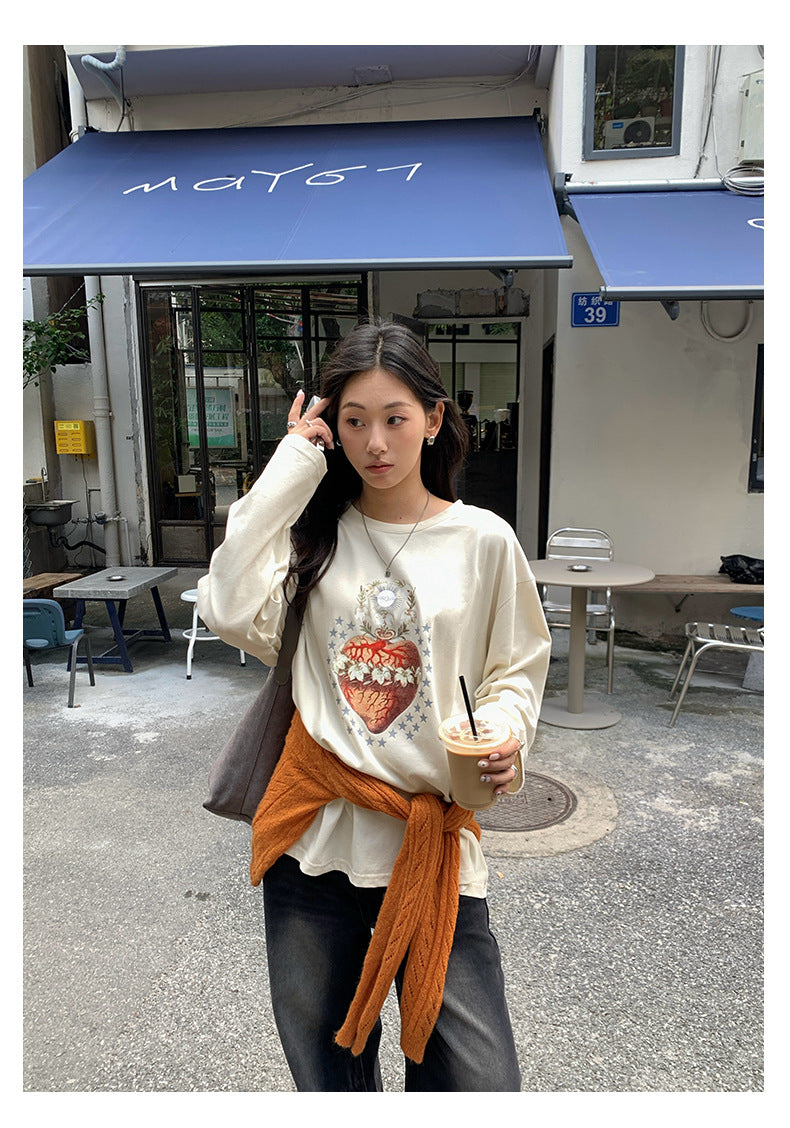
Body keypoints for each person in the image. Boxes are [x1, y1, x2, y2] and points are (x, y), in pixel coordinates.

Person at [197, 320, 551, 1092]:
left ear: (434, 417)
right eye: (354, 422)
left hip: (431, 845)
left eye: (395, 418)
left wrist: (504, 731)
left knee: (479, 1081)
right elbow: (226, 606)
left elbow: (516, 668)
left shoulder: (484, 541)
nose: (375, 443)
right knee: (326, 1070)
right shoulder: (313, 539)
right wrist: (294, 464)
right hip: (315, 843)